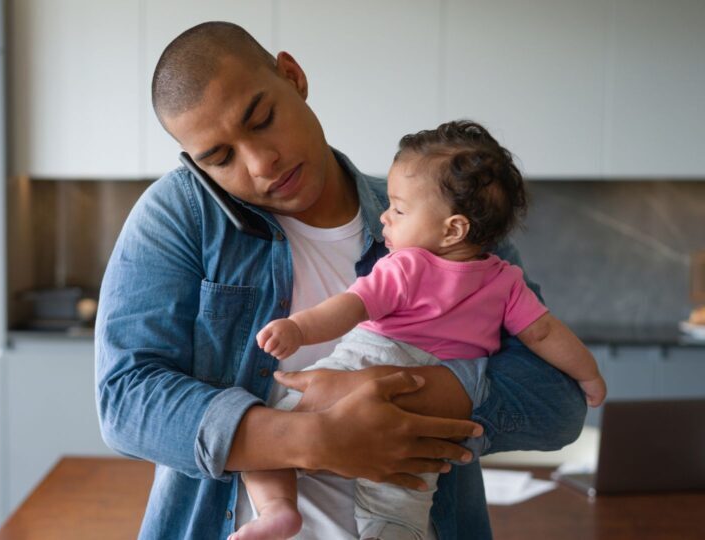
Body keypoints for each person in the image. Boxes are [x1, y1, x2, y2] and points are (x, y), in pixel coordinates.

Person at [95, 21, 586, 540]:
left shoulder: (441, 215)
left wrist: (386, 396)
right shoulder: (180, 215)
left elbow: (556, 404)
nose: (261, 163)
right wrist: (314, 438)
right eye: (221, 158)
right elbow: (126, 402)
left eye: (262, 120)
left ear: (293, 76)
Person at [235, 120, 607, 540]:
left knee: (266, 435)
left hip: (370, 360)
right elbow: (544, 334)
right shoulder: (506, 280)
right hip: (433, 403)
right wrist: (589, 375)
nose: (384, 216)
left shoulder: (407, 265)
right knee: (403, 494)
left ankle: (278, 510)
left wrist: (298, 329)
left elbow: (351, 307)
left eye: (398, 209)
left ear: (453, 228)